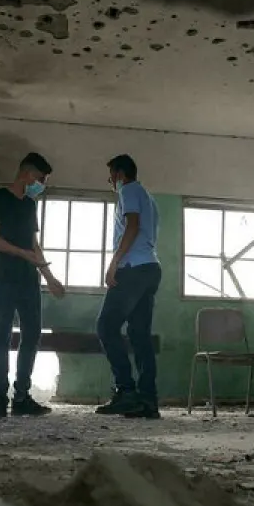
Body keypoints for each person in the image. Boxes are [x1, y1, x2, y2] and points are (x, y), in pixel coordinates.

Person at [0, 152, 67, 419]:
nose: (42, 185)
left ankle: (21, 397)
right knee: (1, 338)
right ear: (28, 174)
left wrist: (50, 278)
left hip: (29, 281)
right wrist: (22, 254)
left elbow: (34, 245)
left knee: (31, 336)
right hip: (2, 279)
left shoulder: (30, 205)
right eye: (41, 179)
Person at [94, 154, 162, 419]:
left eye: (111, 175)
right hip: (150, 269)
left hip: (132, 269)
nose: (110, 181)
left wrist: (113, 264)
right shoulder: (148, 197)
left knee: (106, 326)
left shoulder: (129, 190)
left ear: (120, 175)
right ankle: (147, 400)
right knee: (139, 335)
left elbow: (131, 227)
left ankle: (126, 391)